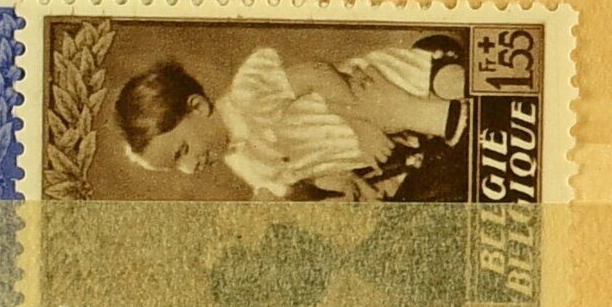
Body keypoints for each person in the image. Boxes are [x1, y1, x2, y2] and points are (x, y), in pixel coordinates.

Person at [111, 37, 464, 201]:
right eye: (177, 167)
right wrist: (345, 183)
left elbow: (317, 74)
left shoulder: (248, 94)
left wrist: (362, 125)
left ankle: (451, 73)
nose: (189, 168)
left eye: (182, 151)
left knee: (449, 85)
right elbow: (307, 172)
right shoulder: (242, 163)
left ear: (198, 107)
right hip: (390, 143)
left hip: (373, 94)